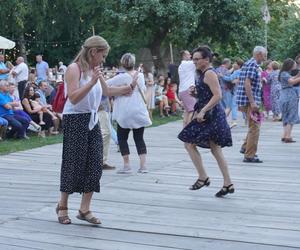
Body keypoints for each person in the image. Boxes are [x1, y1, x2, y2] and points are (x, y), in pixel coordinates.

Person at [57, 36, 138, 225]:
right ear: (93, 52)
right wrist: (92, 82)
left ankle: (84, 209)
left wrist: (129, 87)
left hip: (92, 120)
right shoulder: (73, 69)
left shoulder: (96, 71)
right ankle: (62, 206)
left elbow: (107, 92)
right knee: (73, 163)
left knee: (95, 164)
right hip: (75, 118)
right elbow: (74, 98)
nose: (103, 59)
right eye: (102, 55)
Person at [178, 46, 234, 197]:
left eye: (197, 59)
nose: (194, 62)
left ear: (206, 60)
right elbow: (208, 94)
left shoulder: (209, 73)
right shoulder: (203, 73)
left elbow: (218, 95)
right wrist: (196, 93)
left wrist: (202, 110)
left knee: (189, 143)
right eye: (193, 59)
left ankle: (204, 177)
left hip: (211, 116)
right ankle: (227, 183)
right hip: (209, 115)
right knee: (214, 149)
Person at [107, 53, 152, 174]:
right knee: (139, 138)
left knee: (122, 138)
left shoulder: (120, 77)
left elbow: (106, 85)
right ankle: (143, 166)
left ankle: (127, 165)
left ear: (122, 64)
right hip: (138, 110)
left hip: (124, 111)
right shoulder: (140, 76)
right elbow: (142, 89)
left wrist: (120, 90)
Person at [236, 46, 267, 163]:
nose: (265, 57)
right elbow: (247, 83)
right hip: (250, 101)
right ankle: (249, 155)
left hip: (250, 100)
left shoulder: (251, 64)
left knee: (253, 125)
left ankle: (245, 147)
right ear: (259, 54)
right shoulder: (252, 65)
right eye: (265, 55)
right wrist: (253, 102)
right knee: (255, 127)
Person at [278, 58, 300, 143]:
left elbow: (292, 78)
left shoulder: (284, 73)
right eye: (294, 64)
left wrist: (298, 75)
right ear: (290, 65)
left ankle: (284, 135)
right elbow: (292, 81)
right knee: (291, 115)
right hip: (290, 95)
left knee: (285, 116)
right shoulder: (284, 74)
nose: (295, 65)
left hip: (284, 95)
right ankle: (288, 136)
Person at [222, 58, 244, 128]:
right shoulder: (243, 71)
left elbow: (230, 79)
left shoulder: (237, 71)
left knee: (234, 105)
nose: (233, 64)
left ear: (238, 65)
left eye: (235, 63)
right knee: (242, 105)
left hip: (236, 90)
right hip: (242, 90)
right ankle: (247, 120)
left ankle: (234, 121)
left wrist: (222, 76)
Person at [178, 50, 197, 126]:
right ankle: (189, 130)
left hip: (183, 90)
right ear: (184, 56)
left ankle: (184, 130)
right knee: (192, 111)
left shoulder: (182, 65)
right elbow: (198, 62)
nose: (191, 56)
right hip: (187, 90)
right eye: (189, 55)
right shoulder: (187, 64)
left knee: (187, 111)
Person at [98, 96, 116, 170]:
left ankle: (101, 161)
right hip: (101, 108)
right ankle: (100, 161)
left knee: (105, 133)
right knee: (105, 133)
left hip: (104, 108)